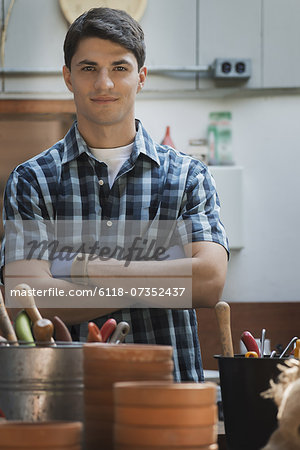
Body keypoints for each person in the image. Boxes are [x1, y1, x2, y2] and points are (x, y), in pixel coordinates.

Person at [0, 7, 228, 381]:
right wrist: (162, 279)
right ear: (68, 77)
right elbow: (33, 297)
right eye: (89, 68)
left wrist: (86, 269)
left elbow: (207, 282)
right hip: (69, 397)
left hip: (169, 397)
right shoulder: (32, 180)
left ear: (140, 78)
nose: (104, 83)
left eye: (119, 68)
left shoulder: (188, 176)